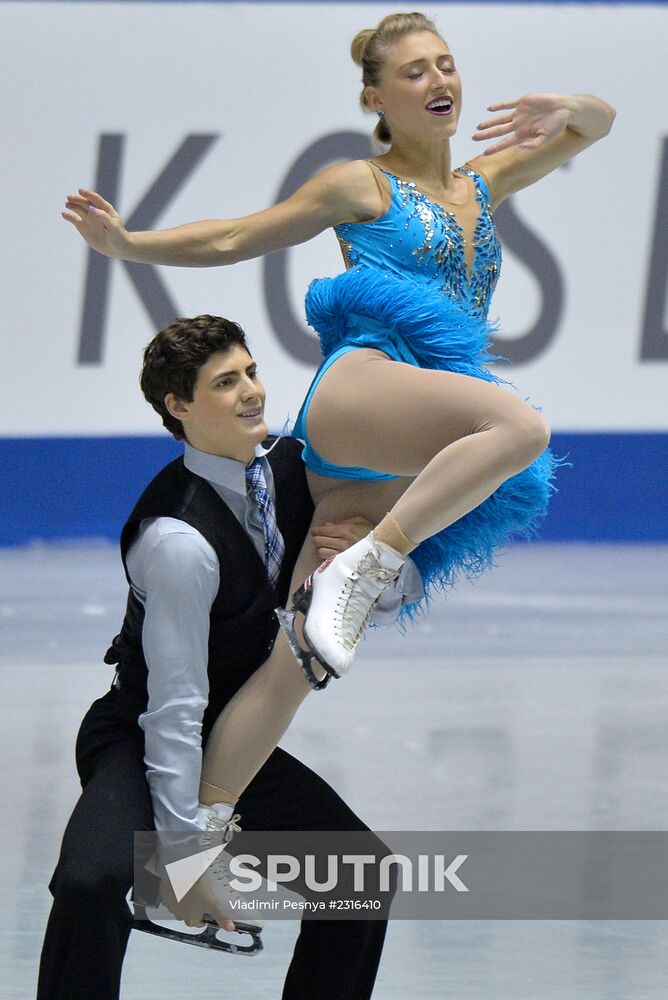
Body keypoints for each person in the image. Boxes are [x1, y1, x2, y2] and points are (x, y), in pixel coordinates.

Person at [63, 11, 615, 859]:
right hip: (363, 387)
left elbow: (596, 122)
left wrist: (564, 104)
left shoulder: (482, 183)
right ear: (375, 97)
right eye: (414, 72)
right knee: (518, 426)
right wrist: (128, 243)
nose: (439, 82)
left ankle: (191, 847)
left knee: (299, 659)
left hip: (405, 445)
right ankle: (372, 563)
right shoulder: (362, 184)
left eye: (447, 65)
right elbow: (239, 234)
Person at [37, 314, 414, 1000]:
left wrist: (373, 567)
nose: (252, 393)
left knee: (361, 878)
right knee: (93, 881)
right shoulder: (177, 540)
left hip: (234, 736)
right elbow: (175, 707)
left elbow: (387, 586)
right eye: (225, 382)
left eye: (252, 372)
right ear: (178, 408)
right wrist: (183, 863)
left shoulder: (299, 467)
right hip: (143, 731)